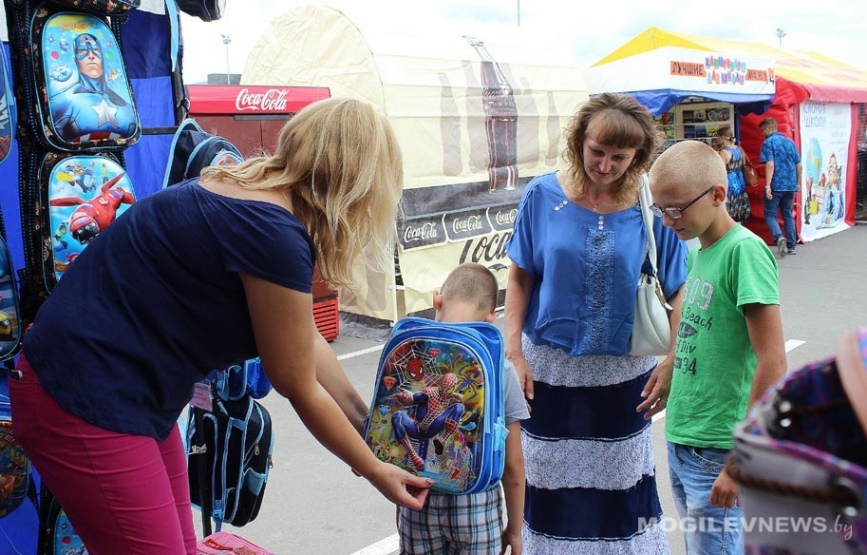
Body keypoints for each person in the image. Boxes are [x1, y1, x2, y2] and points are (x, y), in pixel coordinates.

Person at [8, 97, 433, 555]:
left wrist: (362, 417)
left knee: (183, 546)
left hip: (130, 392)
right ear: (358, 185)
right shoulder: (272, 229)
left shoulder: (255, 197)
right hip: (82, 395)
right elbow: (297, 384)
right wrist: (372, 468)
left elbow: (303, 335)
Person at [505, 92, 688, 554]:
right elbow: (521, 275)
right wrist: (513, 354)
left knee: (621, 488)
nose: (605, 165)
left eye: (619, 157)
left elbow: (680, 285)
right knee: (547, 482)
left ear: (639, 157)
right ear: (579, 141)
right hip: (549, 373)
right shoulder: (542, 196)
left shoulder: (653, 206)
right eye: (596, 152)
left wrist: (672, 361)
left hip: (624, 376)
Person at [648, 140, 788, 555]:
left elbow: (773, 360)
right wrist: (673, 363)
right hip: (685, 438)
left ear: (718, 194)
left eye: (677, 208)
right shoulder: (699, 252)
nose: (669, 220)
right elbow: (699, 330)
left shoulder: (744, 252)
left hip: (719, 448)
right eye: (661, 209)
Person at [398, 262, 529, 555]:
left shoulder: (413, 357)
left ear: (437, 299)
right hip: (477, 506)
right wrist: (516, 530)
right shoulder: (500, 369)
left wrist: (400, 504)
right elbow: (514, 465)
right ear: (490, 318)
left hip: (418, 498)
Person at [50, 33, 138, 144]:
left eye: (96, 51)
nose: (91, 55)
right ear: (75, 59)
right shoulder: (63, 100)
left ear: (103, 57)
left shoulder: (127, 108)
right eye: (82, 51)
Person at [759, 117, 802, 255]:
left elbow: (770, 164)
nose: (762, 134)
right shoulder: (790, 142)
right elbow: (799, 165)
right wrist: (797, 183)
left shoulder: (768, 143)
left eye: (762, 131)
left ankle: (778, 237)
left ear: (767, 129)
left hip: (776, 185)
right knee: (787, 214)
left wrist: (767, 186)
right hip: (790, 185)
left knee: (770, 214)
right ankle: (792, 245)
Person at [713, 124, 751, 224]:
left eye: (718, 137)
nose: (717, 139)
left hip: (730, 182)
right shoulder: (739, 149)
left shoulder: (724, 153)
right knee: (739, 208)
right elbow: (743, 164)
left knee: (729, 210)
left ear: (722, 137)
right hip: (740, 181)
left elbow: (720, 171)